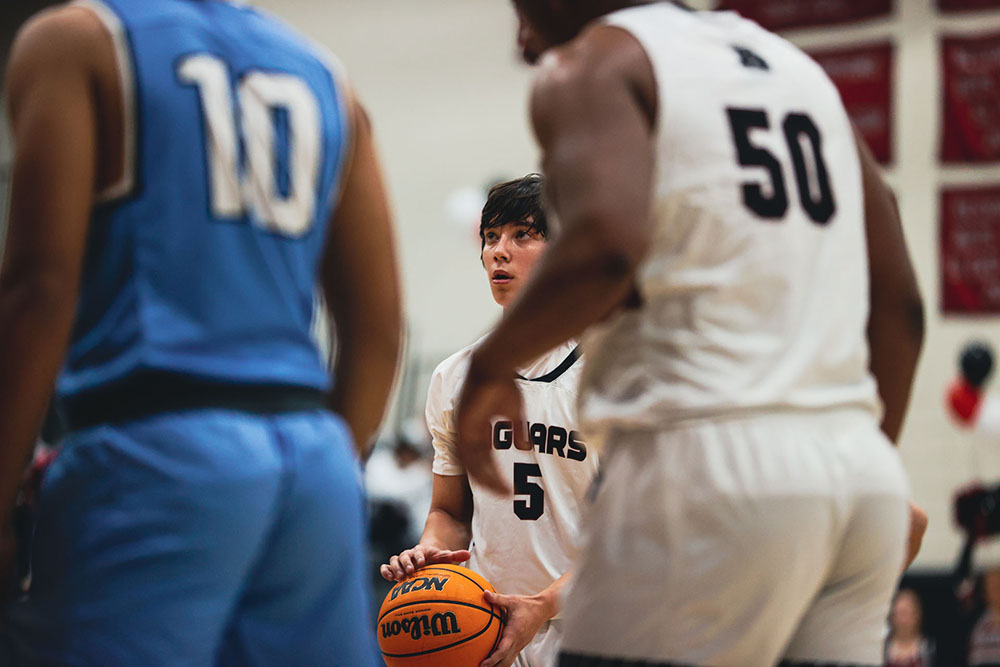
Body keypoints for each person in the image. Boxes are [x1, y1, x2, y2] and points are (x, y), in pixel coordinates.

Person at [455, 2, 926, 666]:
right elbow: (901, 305)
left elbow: (605, 245)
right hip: (859, 482)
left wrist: (490, 366)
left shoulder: (594, 65)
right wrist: (848, 462)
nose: (523, 42)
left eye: (523, 9)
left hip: (704, 467)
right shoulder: (797, 72)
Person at [0, 0, 402, 664]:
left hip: (154, 447)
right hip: (311, 461)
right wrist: (325, 481)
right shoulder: (327, 76)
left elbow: (37, 287)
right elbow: (378, 329)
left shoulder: (76, 40)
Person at [381, 174, 598, 667]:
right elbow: (450, 513)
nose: (500, 251)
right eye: (491, 237)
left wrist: (542, 606)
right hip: (489, 629)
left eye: (524, 234)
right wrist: (430, 553)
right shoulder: (455, 378)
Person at [885, 589, 936, 667]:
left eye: (906, 614)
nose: (903, 621)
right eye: (899, 614)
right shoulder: (883, 648)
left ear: (917, 616)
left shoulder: (929, 648)